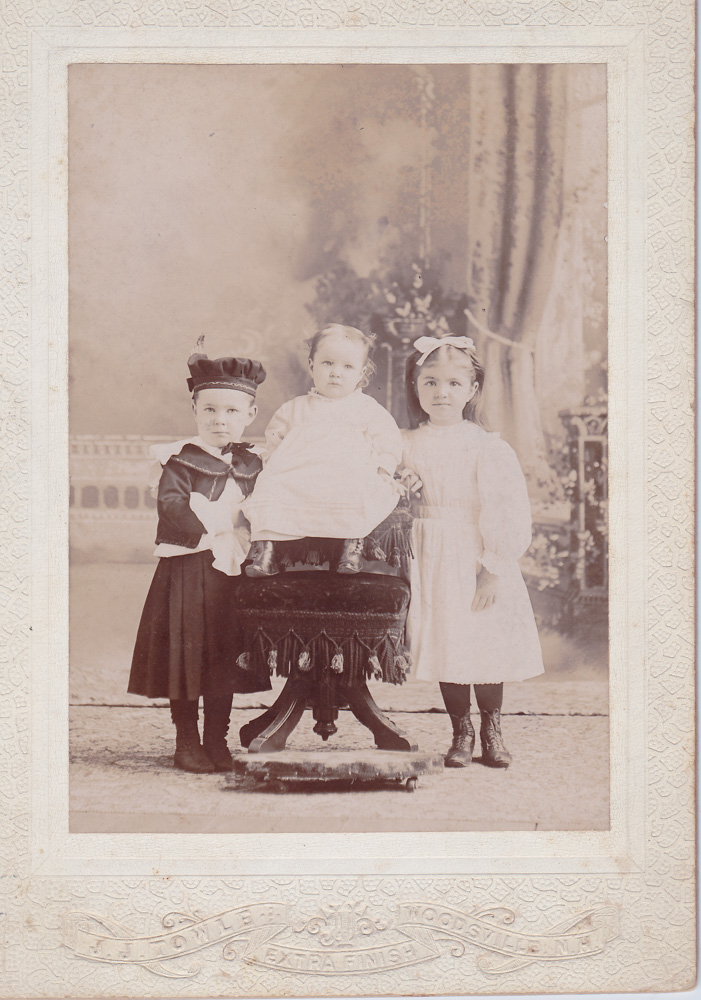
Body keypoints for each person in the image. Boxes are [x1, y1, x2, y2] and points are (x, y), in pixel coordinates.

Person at [400, 335, 544, 769]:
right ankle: (460, 731)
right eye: (430, 382)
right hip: (429, 554)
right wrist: (400, 484)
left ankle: (491, 729)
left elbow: (507, 509)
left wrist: (493, 568)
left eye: (453, 384)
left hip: (474, 553)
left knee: (483, 641)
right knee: (447, 641)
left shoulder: (487, 446)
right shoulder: (404, 443)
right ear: (416, 387)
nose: (441, 393)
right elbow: (383, 491)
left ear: (472, 390)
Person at [127, 342, 269, 774]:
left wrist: (254, 531)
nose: (219, 419)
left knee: (225, 654)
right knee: (186, 656)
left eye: (231, 411)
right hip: (190, 567)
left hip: (232, 571)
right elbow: (172, 506)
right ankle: (186, 739)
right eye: (209, 410)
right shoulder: (180, 460)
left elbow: (264, 506)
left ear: (250, 414)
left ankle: (216, 739)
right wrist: (218, 525)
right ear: (195, 411)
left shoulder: (252, 464)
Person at [244, 324, 402, 576]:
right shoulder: (295, 408)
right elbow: (275, 439)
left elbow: (388, 442)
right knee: (270, 487)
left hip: (347, 473)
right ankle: (268, 552)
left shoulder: (367, 409)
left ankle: (350, 547)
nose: (336, 373)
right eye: (328, 363)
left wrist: (384, 471)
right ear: (311, 366)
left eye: (347, 367)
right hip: (299, 475)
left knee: (359, 489)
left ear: (361, 373)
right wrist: (273, 466)